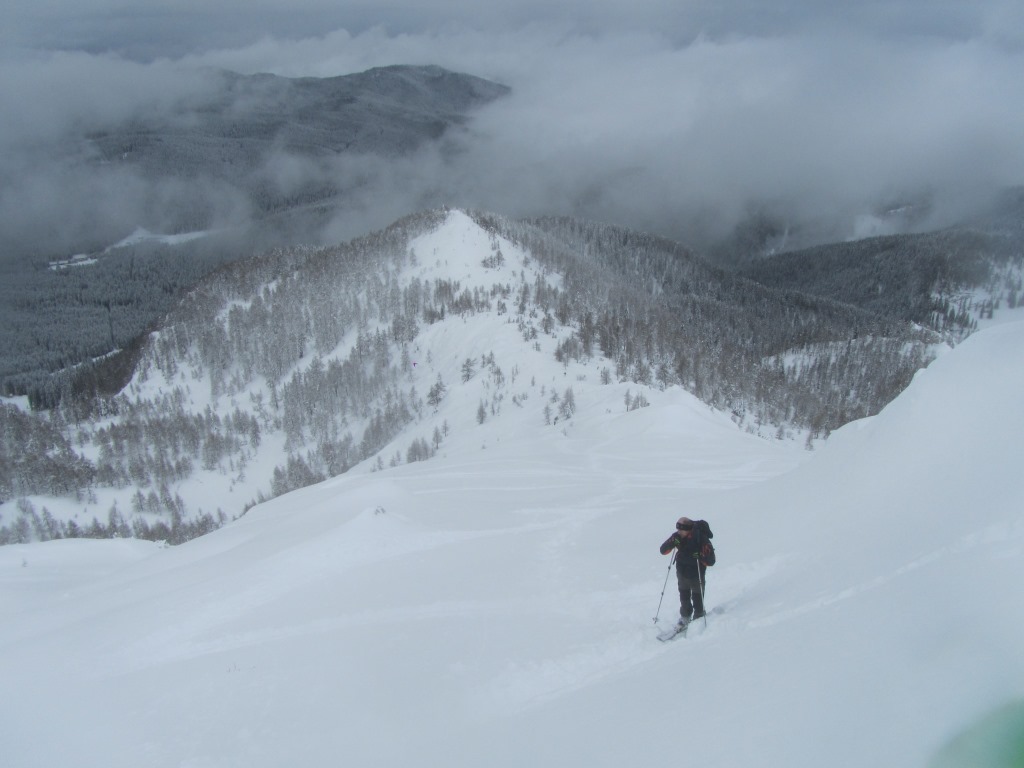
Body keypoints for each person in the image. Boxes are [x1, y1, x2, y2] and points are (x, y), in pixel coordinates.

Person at [660, 516, 715, 626]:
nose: (678, 532)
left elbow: (711, 560)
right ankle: (685, 616)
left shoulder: (701, 538)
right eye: (678, 529)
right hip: (682, 571)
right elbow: (663, 550)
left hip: (696, 573)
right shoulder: (677, 536)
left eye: (681, 530)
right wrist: (672, 543)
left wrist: (700, 555)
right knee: (684, 596)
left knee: (697, 597)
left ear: (688, 529)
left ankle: (699, 616)